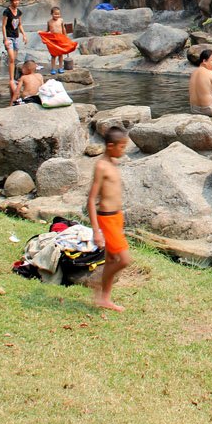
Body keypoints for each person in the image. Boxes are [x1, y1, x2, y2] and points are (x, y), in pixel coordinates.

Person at [88, 126, 133, 312]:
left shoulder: (113, 163)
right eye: (122, 147)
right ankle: (98, 284)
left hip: (117, 217)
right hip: (106, 218)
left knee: (111, 259)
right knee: (124, 260)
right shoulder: (101, 166)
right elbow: (91, 199)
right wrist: (96, 230)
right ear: (110, 145)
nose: (123, 150)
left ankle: (104, 298)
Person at [38, 6, 78, 75]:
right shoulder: (49, 22)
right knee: (53, 55)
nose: (57, 15)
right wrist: (41, 33)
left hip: (60, 38)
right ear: (51, 14)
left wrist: (66, 37)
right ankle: (53, 68)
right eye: (55, 14)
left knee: (60, 54)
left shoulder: (61, 20)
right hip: (53, 39)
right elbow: (48, 30)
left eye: (58, 14)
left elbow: (63, 29)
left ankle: (60, 67)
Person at [188, 49, 212, 116]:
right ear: (204, 61)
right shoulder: (211, 73)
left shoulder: (193, 73)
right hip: (209, 110)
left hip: (194, 110)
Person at [1, 0, 27, 84]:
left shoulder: (19, 12)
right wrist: (5, 39)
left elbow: (19, 24)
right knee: (11, 58)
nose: (16, 2)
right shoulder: (7, 12)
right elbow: (3, 26)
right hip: (8, 37)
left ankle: (13, 78)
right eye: (14, 1)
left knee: (14, 59)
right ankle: (11, 79)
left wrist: (24, 35)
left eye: (17, 0)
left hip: (16, 37)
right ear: (11, 1)